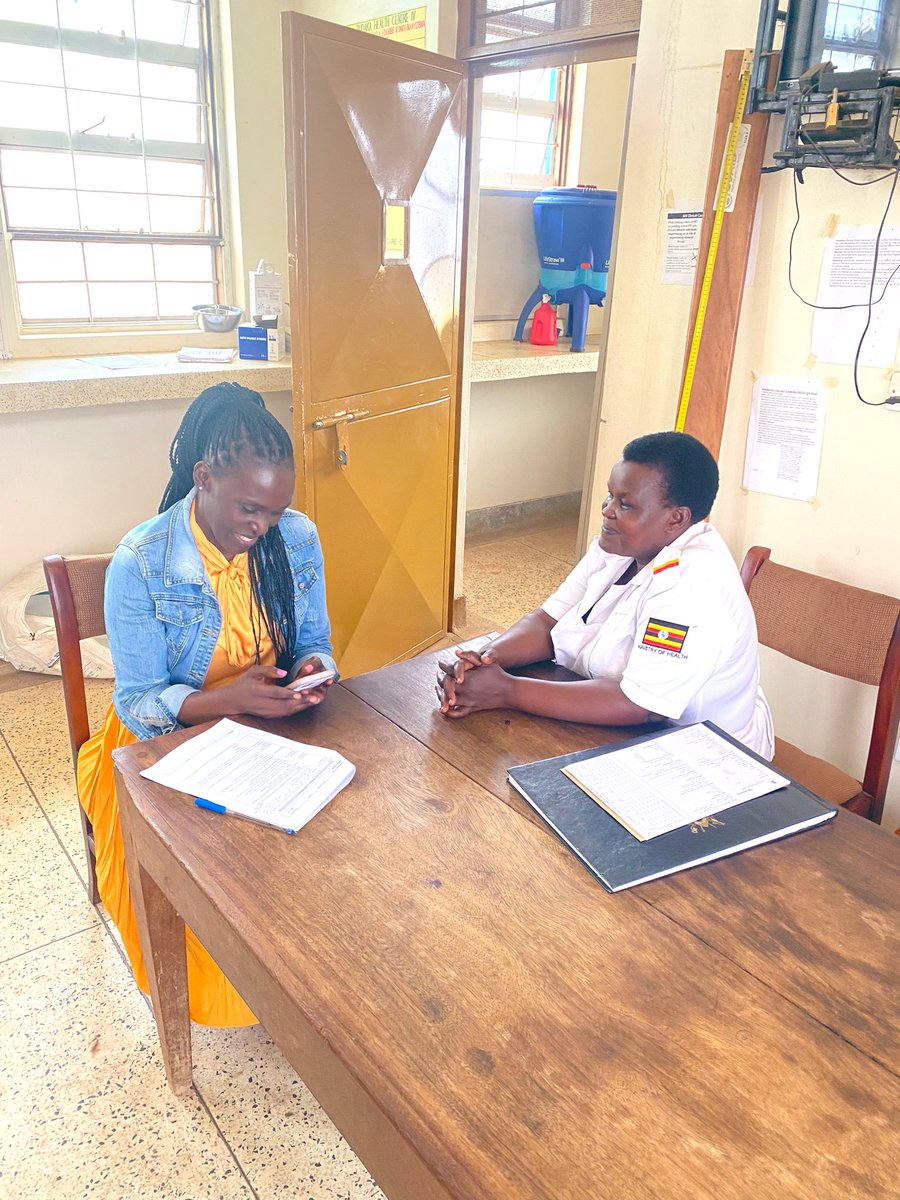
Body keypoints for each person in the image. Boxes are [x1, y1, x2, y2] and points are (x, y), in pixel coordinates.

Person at [77, 382, 336, 1026]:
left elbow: (318, 642)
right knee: (210, 875)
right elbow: (138, 703)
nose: (262, 529)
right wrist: (222, 701)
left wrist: (313, 669)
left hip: (268, 720)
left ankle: (310, 979)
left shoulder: (296, 539)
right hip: (164, 740)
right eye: (250, 509)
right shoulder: (141, 560)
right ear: (202, 478)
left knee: (333, 838)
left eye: (275, 513)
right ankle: (239, 996)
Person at [437, 431, 773, 758]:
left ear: (676, 519)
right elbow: (546, 621)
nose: (608, 511)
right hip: (614, 725)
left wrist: (505, 690)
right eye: (610, 496)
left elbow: (638, 704)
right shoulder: (619, 544)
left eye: (626, 505)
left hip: (703, 755)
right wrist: (483, 662)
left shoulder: (693, 586)